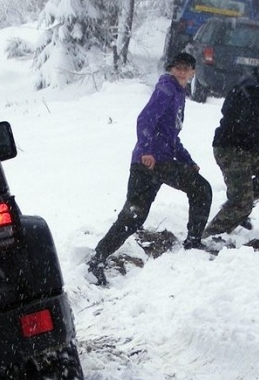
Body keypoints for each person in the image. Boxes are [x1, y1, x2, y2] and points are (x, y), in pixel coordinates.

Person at [87, 52, 212, 284]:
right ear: (171, 69)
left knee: (134, 215)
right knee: (202, 189)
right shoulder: (167, 89)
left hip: (150, 163)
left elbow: (171, 137)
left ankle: (97, 258)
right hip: (153, 162)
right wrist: (146, 151)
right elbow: (144, 120)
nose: (182, 72)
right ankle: (193, 243)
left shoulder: (178, 93)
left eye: (187, 69)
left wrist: (187, 160)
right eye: (178, 68)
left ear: (193, 72)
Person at [201, 51, 259, 239]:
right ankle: (209, 236)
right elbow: (247, 122)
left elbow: (256, 124)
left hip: (246, 148)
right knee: (242, 202)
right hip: (230, 149)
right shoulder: (253, 87)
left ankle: (238, 208)